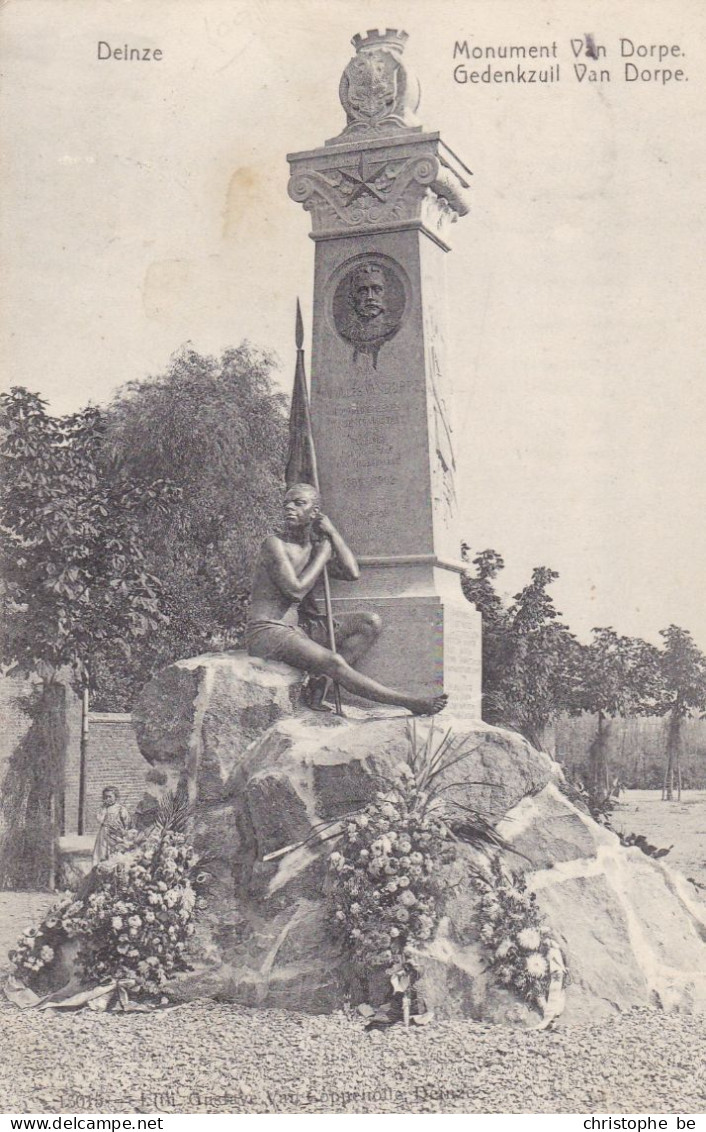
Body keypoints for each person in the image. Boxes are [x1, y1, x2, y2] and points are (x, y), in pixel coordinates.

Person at [246, 483, 447, 715]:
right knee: (334, 662)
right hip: (268, 631)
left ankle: (321, 684)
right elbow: (295, 591)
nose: (289, 508)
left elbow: (352, 573)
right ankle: (411, 703)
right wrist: (322, 555)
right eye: (286, 503)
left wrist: (332, 533)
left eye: (299, 503)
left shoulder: (314, 548)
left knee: (368, 622)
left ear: (315, 513)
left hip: (298, 628)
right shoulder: (274, 544)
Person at [92, 787, 131, 866]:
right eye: (105, 797)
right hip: (104, 834)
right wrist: (103, 809)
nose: (107, 799)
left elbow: (127, 822)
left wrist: (124, 831)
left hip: (117, 834)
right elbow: (100, 819)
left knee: (117, 853)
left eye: (110, 797)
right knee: (102, 852)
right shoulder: (103, 809)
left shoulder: (121, 809)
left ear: (116, 797)